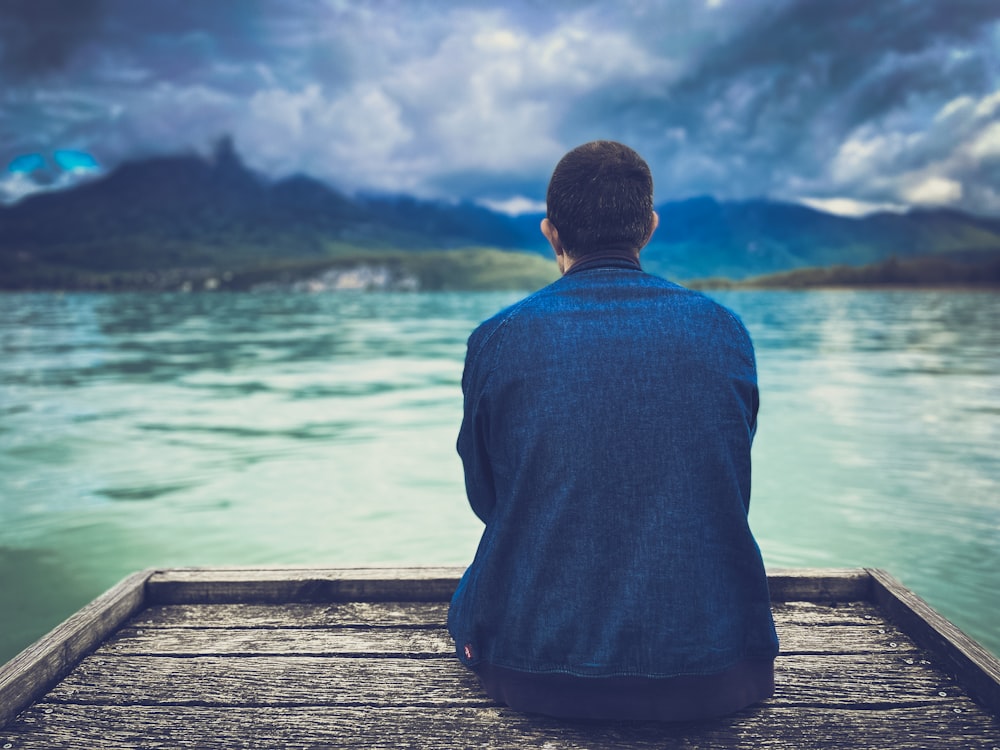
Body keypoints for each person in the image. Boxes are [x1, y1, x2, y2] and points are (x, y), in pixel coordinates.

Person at [447, 140, 779, 721]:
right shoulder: (724, 330)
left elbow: (487, 501)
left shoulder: (498, 339)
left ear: (551, 233)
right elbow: (728, 486)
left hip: (533, 674)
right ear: (647, 229)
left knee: (476, 589)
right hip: (721, 672)